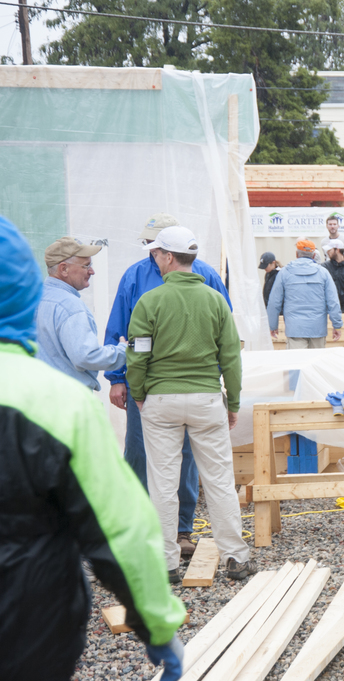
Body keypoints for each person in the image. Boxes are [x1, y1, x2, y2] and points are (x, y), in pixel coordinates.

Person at [0, 216, 187, 681]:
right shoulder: (56, 405)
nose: (92, 270)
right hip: (28, 619)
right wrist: (158, 624)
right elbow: (118, 527)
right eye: (84, 262)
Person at [127, 225, 254, 583]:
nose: (154, 258)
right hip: (206, 398)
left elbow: (137, 355)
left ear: (169, 257)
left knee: (162, 482)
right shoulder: (215, 300)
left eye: (157, 253)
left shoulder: (150, 301)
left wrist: (138, 392)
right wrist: (234, 400)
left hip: (161, 399)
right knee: (218, 480)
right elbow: (231, 357)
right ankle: (235, 557)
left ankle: (166, 562)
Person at [105, 212, 231, 559]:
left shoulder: (204, 275)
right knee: (138, 452)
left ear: (168, 252)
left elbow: (225, 332)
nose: (149, 250)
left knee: (185, 458)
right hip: (147, 387)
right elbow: (118, 328)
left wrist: (214, 377)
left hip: (161, 389)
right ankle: (138, 527)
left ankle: (180, 529)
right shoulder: (135, 275)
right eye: (149, 245)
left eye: (154, 246)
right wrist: (119, 381)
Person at [35, 236, 126, 390]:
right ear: (64, 269)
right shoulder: (69, 305)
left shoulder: (32, 299)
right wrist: (123, 351)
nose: (92, 271)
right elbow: (86, 356)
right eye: (86, 265)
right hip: (67, 399)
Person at [267, 239, 343, 348]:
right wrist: (337, 325)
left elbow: (274, 302)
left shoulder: (284, 273)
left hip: (295, 329)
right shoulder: (323, 273)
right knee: (315, 363)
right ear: (313, 256)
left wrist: (272, 325)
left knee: (298, 363)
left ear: (297, 254)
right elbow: (333, 302)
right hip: (317, 329)